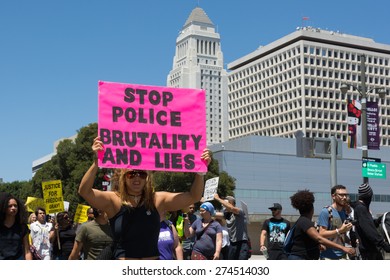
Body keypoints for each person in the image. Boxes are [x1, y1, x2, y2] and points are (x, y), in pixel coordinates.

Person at [78, 136, 212, 260]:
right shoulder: (114, 200)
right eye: (131, 174)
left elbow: (193, 196)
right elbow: (85, 191)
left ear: (147, 177)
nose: (137, 178)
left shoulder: (157, 200)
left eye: (141, 174)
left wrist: (200, 172)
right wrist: (97, 162)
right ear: (124, 177)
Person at [287, 189, 356, 260]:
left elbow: (307, 241)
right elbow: (319, 238)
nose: (344, 197)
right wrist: (343, 248)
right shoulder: (305, 222)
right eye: (341, 195)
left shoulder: (302, 221)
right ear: (312, 208)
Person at [351, 183, 390, 259]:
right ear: (369, 195)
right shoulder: (361, 209)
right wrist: (384, 245)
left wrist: (378, 220)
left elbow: (367, 225)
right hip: (369, 251)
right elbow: (369, 230)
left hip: (368, 250)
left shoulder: (360, 208)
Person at [317, 185, 353, 260]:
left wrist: (350, 241)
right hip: (328, 256)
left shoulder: (343, 213)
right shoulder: (326, 211)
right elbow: (321, 234)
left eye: (346, 195)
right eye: (341, 195)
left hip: (342, 255)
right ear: (333, 196)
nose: (344, 197)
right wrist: (339, 231)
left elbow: (340, 235)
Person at [213, 194, 250, 259]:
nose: (223, 205)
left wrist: (218, 199)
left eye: (225, 203)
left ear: (231, 203)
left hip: (242, 243)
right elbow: (213, 214)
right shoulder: (227, 214)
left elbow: (231, 208)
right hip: (232, 243)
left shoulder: (240, 211)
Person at [0, 192, 32, 260]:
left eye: (15, 205)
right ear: (4, 207)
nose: (13, 208)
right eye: (10, 206)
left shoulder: (22, 227)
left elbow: (27, 251)